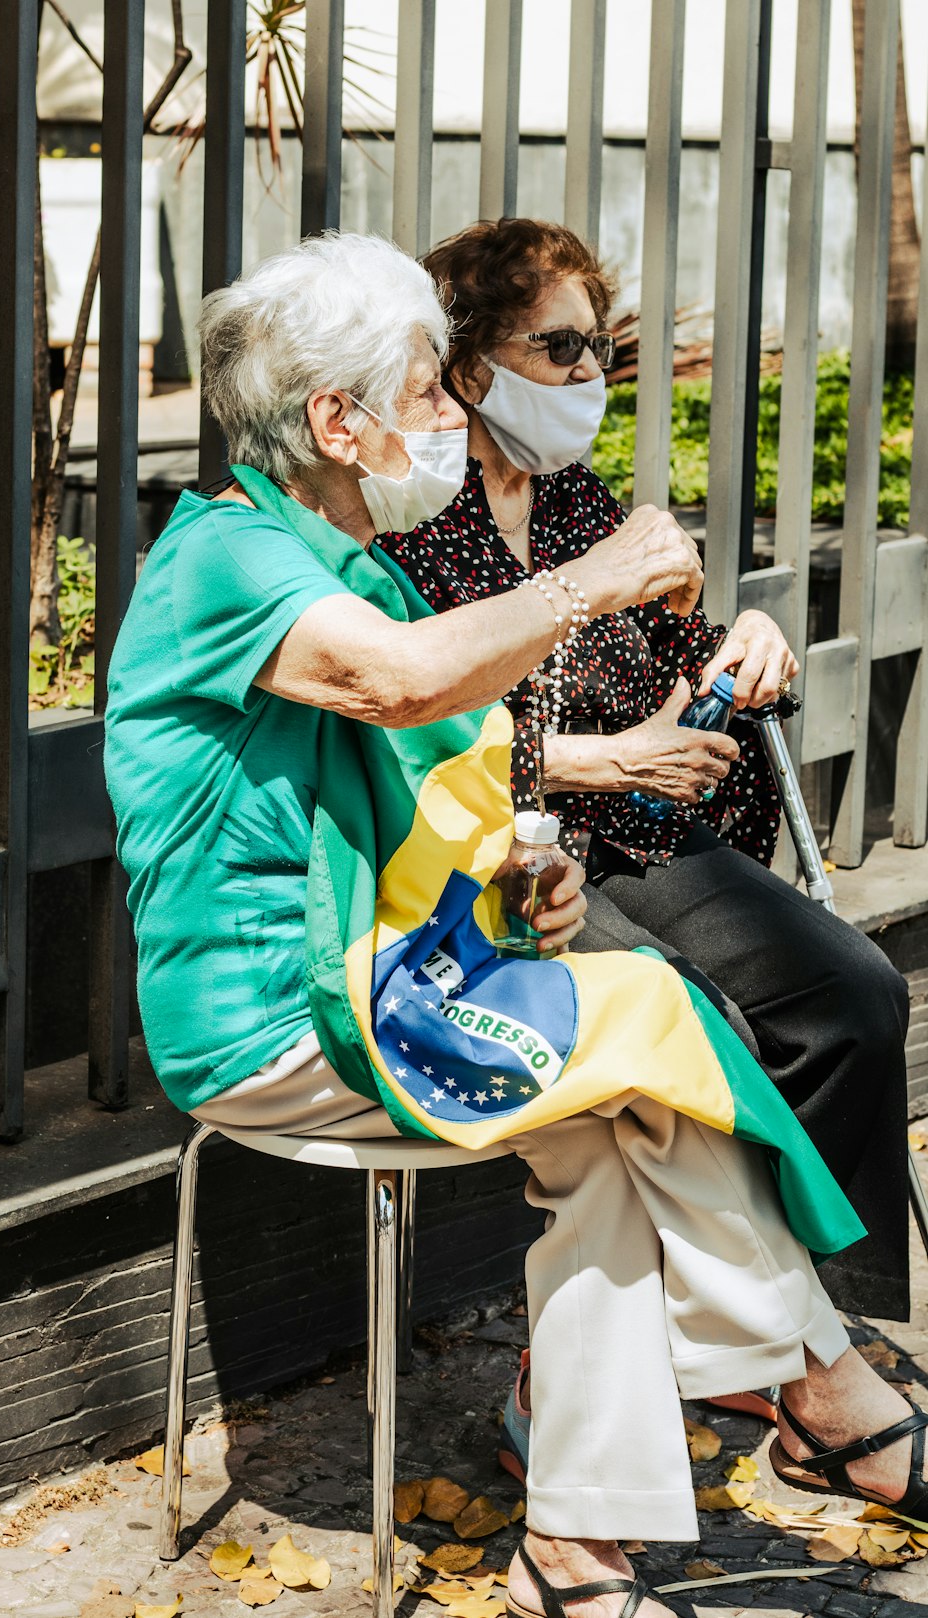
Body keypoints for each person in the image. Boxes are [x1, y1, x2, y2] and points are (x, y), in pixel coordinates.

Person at [103, 233, 926, 1618]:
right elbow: (401, 686)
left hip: (393, 978)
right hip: (276, 1016)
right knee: (659, 1020)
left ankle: (579, 1550)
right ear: (336, 422)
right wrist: (589, 581)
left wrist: (520, 875)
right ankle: (824, 1378)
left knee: (619, 1130)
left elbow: (462, 780)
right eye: (432, 389)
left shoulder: (347, 557)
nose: (452, 416)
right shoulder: (230, 559)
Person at [377, 216, 911, 1333]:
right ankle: (750, 1348)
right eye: (561, 348)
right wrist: (604, 757)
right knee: (704, 1028)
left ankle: (825, 1321)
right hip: (490, 858)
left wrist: (741, 645)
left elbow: (676, 643)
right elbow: (412, 730)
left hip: (635, 834)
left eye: (601, 351)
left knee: (853, 993)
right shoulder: (408, 525)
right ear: (471, 368)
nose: (591, 374)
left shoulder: (573, 498)